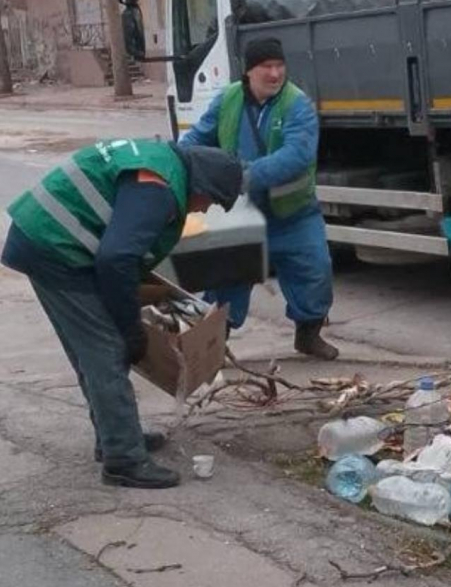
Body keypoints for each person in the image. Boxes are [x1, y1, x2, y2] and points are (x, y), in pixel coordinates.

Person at [1, 139, 242, 489]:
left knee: (93, 351)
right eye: (212, 201)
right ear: (201, 185)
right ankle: (123, 460)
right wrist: (131, 329)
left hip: (49, 240)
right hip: (55, 250)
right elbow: (116, 259)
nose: (205, 210)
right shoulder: (157, 189)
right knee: (107, 351)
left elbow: (122, 251)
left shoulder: (162, 165)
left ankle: (115, 437)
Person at [179, 37, 338, 360]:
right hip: (241, 211)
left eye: (280, 66)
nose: (275, 73)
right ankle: (214, 343)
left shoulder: (297, 105)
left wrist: (242, 176)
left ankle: (308, 334)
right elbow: (198, 137)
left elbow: (296, 155)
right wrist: (174, 158)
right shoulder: (228, 99)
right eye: (267, 66)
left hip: (293, 213)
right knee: (226, 279)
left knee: (315, 271)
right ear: (249, 70)